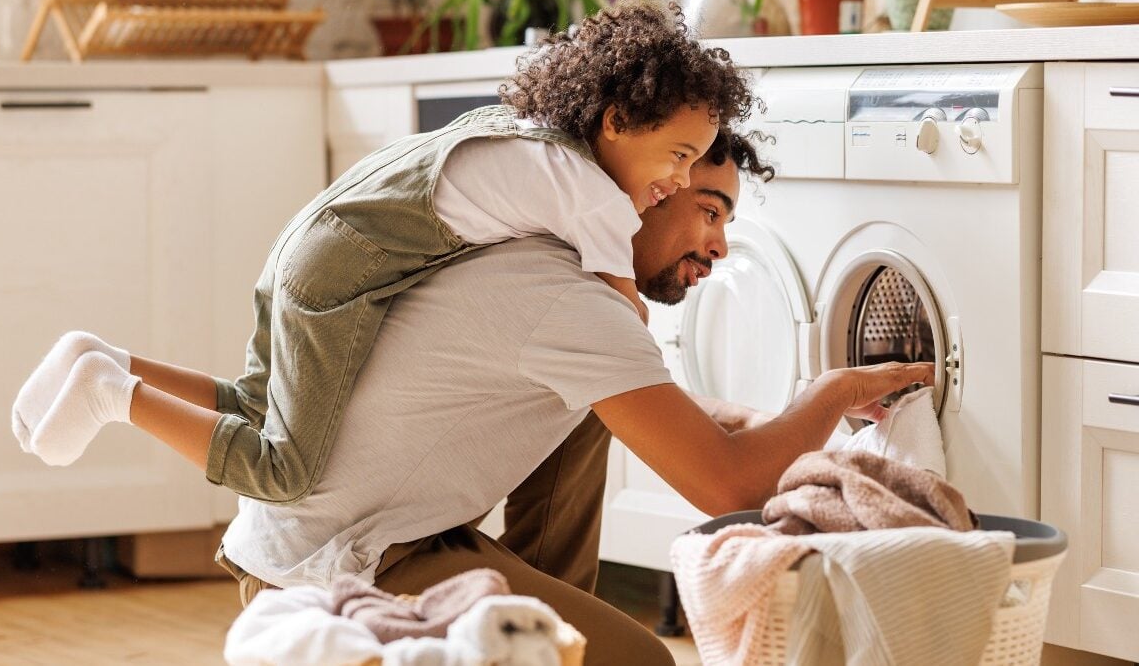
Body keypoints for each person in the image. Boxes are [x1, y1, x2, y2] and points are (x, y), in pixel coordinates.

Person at [206, 128, 926, 665]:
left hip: (377, 533)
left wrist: (797, 423)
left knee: (592, 416)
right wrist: (835, 387)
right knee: (646, 663)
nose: (721, 246)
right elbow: (728, 480)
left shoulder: (554, 263)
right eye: (709, 211)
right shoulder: (567, 301)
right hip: (342, 564)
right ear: (653, 187)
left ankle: (546, 640)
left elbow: (662, 407)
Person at [10, 2, 757, 505]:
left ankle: (106, 354)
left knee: (254, 402)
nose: (678, 181)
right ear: (619, 119)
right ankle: (115, 393)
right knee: (285, 470)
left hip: (309, 247)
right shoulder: (591, 197)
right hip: (341, 276)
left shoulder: (537, 141)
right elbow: (623, 333)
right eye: (681, 157)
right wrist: (700, 419)